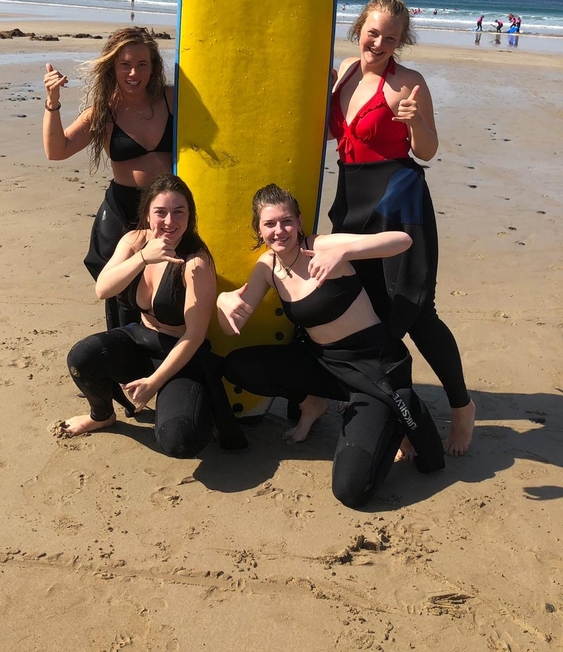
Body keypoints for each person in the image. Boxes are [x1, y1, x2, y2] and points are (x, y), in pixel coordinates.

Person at [218, 184, 444, 509]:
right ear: (259, 229)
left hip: (373, 366)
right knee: (239, 365)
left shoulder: (321, 245)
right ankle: (314, 406)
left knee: (351, 491)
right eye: (270, 224)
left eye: (286, 221)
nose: (279, 230)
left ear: (298, 221)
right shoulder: (267, 268)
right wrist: (223, 302)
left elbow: (402, 241)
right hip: (323, 364)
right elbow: (233, 327)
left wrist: (345, 251)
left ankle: (393, 415)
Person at [328, 0, 475, 455]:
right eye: (373, 33)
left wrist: (414, 124)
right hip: (351, 198)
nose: (380, 43)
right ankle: (398, 412)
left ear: (401, 40)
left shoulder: (409, 83)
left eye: (391, 38)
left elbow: (428, 150)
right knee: (369, 311)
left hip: (397, 200)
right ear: (360, 29)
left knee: (414, 311)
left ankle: (461, 407)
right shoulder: (345, 72)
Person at [50, 174, 246, 456]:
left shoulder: (195, 263)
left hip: (180, 354)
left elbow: (194, 335)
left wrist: (155, 383)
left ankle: (199, 409)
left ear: (190, 216)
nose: (170, 221)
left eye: (179, 212)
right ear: (147, 214)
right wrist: (142, 257)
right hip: (140, 340)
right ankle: (101, 415)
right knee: (82, 357)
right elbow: (102, 289)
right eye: (161, 212)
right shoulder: (134, 241)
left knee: (180, 441)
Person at [43, 27, 174, 328]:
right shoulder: (105, 112)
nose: (133, 73)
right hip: (123, 212)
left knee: (165, 290)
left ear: (153, 66)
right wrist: (52, 102)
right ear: (112, 67)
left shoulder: (170, 100)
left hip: (166, 211)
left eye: (142, 64)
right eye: (125, 64)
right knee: (123, 295)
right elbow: (57, 150)